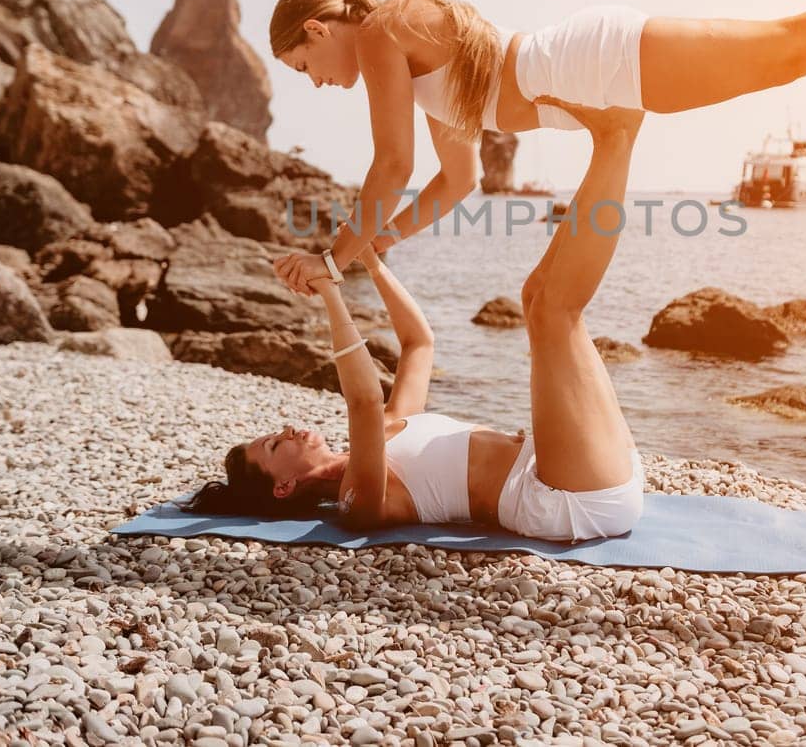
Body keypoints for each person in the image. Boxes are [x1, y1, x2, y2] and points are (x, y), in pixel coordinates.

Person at [267, 0, 806, 292]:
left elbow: (391, 164)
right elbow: (451, 185)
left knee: (788, 45)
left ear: (317, 27)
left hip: (594, 63)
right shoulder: (422, 70)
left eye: (305, 64)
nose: (317, 83)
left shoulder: (380, 29)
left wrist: (336, 256)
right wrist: (372, 255)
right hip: (591, 84)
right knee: (784, 49)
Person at [181, 97, 650, 543]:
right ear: (283, 487)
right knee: (554, 313)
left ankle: (619, 137)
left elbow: (418, 343)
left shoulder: (389, 426)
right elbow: (362, 399)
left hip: (580, 469)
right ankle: (614, 138)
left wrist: (373, 265)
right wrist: (329, 289)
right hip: (567, 500)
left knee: (535, 298)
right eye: (275, 447)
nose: (287, 432)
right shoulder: (355, 500)